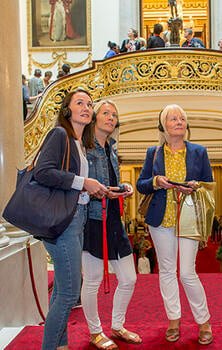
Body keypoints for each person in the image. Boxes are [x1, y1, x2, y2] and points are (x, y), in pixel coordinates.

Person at [33, 89, 109, 349]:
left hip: (77, 217)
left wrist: (95, 189)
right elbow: (43, 172)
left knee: (62, 292)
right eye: (80, 103)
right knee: (68, 292)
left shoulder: (79, 143)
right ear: (67, 110)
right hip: (63, 221)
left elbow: (77, 186)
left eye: (89, 104)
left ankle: (61, 345)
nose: (87, 107)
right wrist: (83, 182)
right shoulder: (60, 134)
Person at [136, 104, 213, 345]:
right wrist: (157, 181)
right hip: (161, 220)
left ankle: (204, 322)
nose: (178, 121)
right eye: (173, 118)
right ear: (164, 125)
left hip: (189, 218)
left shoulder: (199, 151)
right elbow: (141, 184)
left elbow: (209, 185)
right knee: (167, 271)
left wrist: (196, 185)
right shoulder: (154, 153)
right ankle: (174, 320)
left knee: (188, 273)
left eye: (182, 118)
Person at [81, 100, 141, 349]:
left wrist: (123, 188)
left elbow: (110, 182)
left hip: (114, 219)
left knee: (129, 278)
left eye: (114, 115)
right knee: (93, 280)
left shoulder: (112, 148)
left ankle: (117, 326)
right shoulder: (84, 148)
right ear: (94, 118)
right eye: (105, 113)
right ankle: (96, 332)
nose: (111, 117)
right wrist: (100, 191)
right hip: (93, 220)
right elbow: (84, 184)